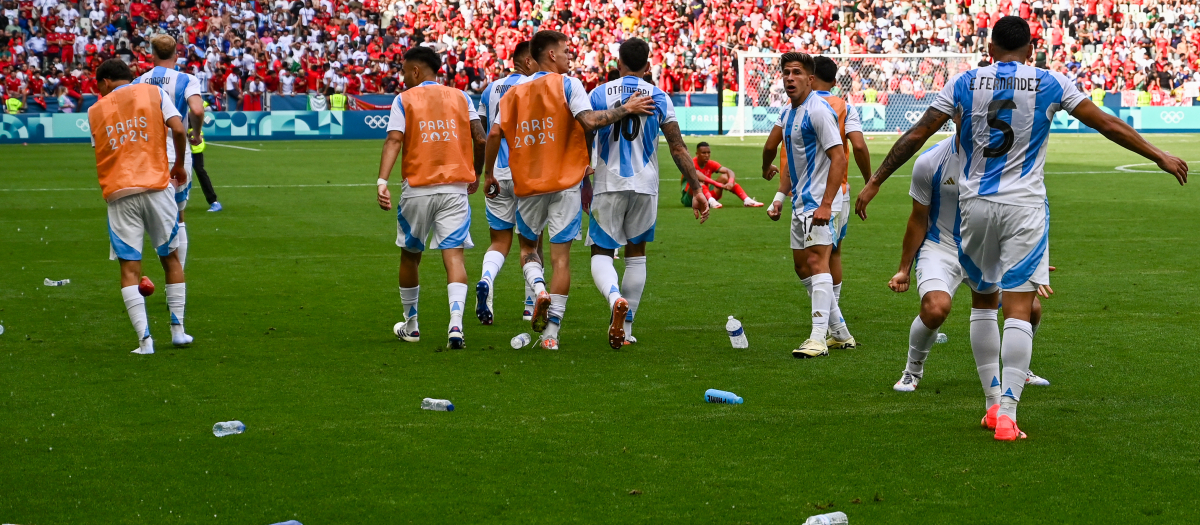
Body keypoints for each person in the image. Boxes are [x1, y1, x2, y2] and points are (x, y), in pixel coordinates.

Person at [856, 16, 1188, 440]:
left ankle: (992, 406)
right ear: (1031, 50)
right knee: (1019, 308)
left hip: (974, 207)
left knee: (982, 305)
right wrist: (1157, 154)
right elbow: (1106, 123)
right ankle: (1009, 415)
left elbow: (918, 134)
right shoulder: (1051, 82)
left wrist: (876, 180)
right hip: (1024, 207)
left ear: (989, 49)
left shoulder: (963, 83)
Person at [482, 30, 655, 350]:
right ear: (549, 55)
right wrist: (626, 110)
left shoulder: (511, 95)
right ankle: (551, 336)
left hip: (528, 185)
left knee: (528, 250)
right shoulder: (569, 84)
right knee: (561, 260)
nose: (569, 56)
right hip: (565, 184)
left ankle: (538, 288)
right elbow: (588, 121)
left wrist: (489, 173)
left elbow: (493, 135)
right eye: (564, 51)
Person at [887, 129, 1052, 394]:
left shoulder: (1003, 160)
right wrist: (903, 269)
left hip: (986, 249)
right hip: (942, 247)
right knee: (935, 308)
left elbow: (1019, 212)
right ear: (954, 114)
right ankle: (912, 371)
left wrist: (1028, 259)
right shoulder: (930, 161)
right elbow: (918, 218)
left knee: (1031, 308)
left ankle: (1019, 370)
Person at [586, 37, 710, 348]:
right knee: (636, 256)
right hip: (645, 184)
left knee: (601, 252)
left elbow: (583, 135)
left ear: (618, 63)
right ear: (649, 65)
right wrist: (696, 188)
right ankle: (626, 332)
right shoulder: (659, 96)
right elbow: (678, 148)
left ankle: (615, 298)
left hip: (607, 183)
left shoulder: (598, 94)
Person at [376, 46, 486, 350]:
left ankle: (411, 326)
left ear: (415, 71)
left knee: (411, 255)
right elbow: (480, 138)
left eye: (403, 71)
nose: (402, 77)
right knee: (454, 257)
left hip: (418, 189)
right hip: (454, 189)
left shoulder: (404, 99)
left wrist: (382, 180)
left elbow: (394, 139)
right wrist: (476, 173)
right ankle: (455, 326)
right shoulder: (462, 97)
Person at [87, 58, 192, 355]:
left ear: (106, 82)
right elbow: (179, 130)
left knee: (130, 269)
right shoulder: (153, 93)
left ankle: (145, 342)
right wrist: (180, 166)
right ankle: (178, 330)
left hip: (119, 192)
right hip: (157, 186)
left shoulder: (95, 111)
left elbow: (102, 148)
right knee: (170, 258)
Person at [762, 52, 849, 359]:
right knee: (802, 267)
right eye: (786, 72)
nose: (789, 77)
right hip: (801, 202)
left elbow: (839, 157)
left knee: (816, 263)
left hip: (820, 203)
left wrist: (827, 204)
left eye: (796, 72)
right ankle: (840, 332)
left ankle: (818, 339)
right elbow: (789, 160)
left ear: (810, 79)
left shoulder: (819, 111)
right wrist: (778, 196)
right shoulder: (790, 113)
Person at [811, 55, 873, 350]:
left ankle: (829, 327)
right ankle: (833, 324)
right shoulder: (844, 106)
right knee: (833, 252)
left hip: (809, 193)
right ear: (834, 82)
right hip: (840, 190)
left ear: (809, 77)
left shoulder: (799, 106)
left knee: (814, 258)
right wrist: (870, 180)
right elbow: (858, 145)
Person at [473, 40, 537, 326]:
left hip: (496, 174)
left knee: (499, 242)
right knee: (531, 244)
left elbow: (485, 135)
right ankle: (530, 305)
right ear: (527, 61)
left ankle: (486, 279)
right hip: (527, 174)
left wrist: (482, 173)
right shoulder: (535, 87)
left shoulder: (489, 90)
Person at [132, 34, 204, 269]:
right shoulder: (187, 79)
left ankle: (137, 273)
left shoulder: (140, 81)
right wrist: (196, 132)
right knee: (178, 216)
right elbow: (197, 110)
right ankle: (176, 275)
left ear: (152, 55)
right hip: (177, 152)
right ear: (176, 54)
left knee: (142, 216)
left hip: (147, 154)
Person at [685, 142, 763, 209]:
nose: (707, 155)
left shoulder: (710, 163)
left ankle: (747, 200)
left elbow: (729, 171)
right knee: (698, 183)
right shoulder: (691, 164)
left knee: (725, 177)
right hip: (691, 198)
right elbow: (699, 176)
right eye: (703, 153)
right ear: (697, 154)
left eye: (708, 152)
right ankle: (711, 201)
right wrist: (718, 184)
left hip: (707, 196)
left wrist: (730, 182)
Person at [190, 103, 222, 212]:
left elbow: (206, 108)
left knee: (200, 171)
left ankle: (214, 201)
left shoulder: (192, 99)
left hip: (193, 143)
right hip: (178, 142)